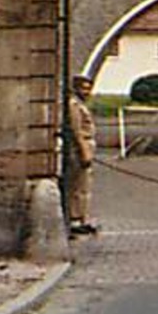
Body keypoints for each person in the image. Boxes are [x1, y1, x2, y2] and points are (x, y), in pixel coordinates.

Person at [66, 74, 98, 236]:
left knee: (85, 185)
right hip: (80, 147)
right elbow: (76, 130)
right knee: (78, 185)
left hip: (87, 143)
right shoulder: (74, 105)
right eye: (84, 88)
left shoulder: (80, 104)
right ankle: (75, 219)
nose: (87, 92)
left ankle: (82, 217)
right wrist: (84, 151)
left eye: (89, 88)